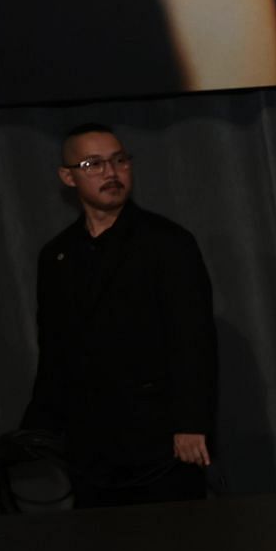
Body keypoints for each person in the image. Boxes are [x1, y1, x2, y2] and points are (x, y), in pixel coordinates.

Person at [22, 124, 216, 508]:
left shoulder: (166, 242)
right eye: (93, 164)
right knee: (106, 550)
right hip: (89, 440)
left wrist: (191, 423)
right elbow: (55, 347)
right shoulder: (58, 255)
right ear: (68, 176)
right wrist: (39, 425)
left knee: (178, 547)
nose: (111, 174)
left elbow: (192, 337)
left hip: (158, 436)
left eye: (119, 161)